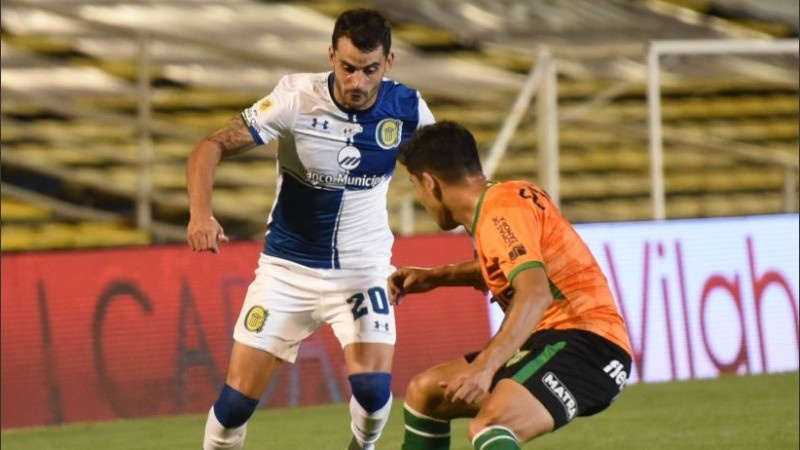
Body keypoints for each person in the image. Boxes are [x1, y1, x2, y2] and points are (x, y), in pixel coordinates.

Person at [186, 8, 435, 450]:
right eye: (348, 67)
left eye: (370, 70)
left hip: (362, 271)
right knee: (234, 406)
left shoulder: (408, 109)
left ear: (389, 62)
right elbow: (211, 146)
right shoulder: (296, 98)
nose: (357, 82)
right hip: (287, 270)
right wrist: (200, 214)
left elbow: (447, 172)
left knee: (374, 392)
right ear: (331, 56)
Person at [388, 121, 633, 450]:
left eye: (416, 186)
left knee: (490, 426)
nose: (422, 199)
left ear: (430, 183)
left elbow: (535, 293)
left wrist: (484, 368)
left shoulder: (500, 213)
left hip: (587, 346)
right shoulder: (503, 201)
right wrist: (435, 277)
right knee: (426, 393)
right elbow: (506, 266)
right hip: (550, 340)